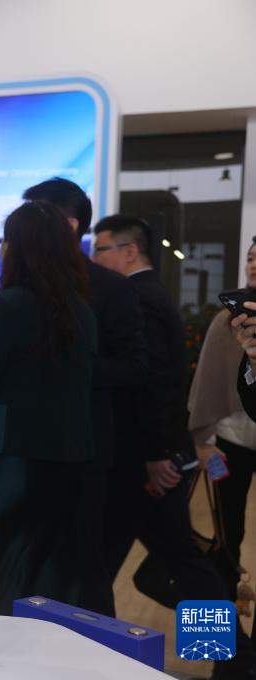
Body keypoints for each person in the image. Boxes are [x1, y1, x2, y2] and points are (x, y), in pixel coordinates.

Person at [95, 214, 255, 680]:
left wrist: (158, 455)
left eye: (100, 249)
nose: (94, 259)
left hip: (148, 464)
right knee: (188, 564)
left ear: (129, 251)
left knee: (183, 564)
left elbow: (156, 385)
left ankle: (234, 661)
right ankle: (233, 661)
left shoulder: (139, 298)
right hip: (170, 456)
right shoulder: (159, 297)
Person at [21, 178, 147, 616]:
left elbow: (137, 368)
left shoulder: (111, 288)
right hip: (24, 451)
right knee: (29, 566)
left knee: (86, 567)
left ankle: (223, 653)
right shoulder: (21, 287)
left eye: (37, 215)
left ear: (70, 224)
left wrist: (70, 367)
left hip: (87, 454)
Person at [0, 201, 97, 614]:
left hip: (11, 459)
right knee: (52, 574)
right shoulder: (82, 311)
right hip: (69, 457)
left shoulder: (8, 304)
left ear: (18, 248)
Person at [189, 236, 256, 601]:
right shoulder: (226, 321)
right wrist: (203, 442)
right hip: (230, 443)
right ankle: (221, 629)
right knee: (226, 533)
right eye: (250, 258)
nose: (253, 265)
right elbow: (207, 384)